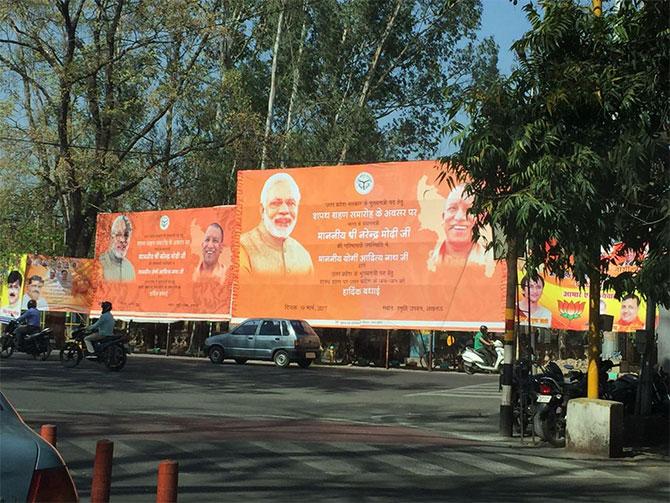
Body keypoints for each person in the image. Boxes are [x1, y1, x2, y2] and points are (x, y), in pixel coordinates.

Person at [239, 172, 314, 278]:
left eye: (291, 203)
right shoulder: (243, 248)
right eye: (276, 203)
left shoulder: (303, 257)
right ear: (262, 210)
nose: (284, 210)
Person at [424, 183, 495, 276]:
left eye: (469, 210)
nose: (459, 217)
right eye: (452, 208)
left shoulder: (489, 262)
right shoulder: (429, 261)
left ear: (480, 218)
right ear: (443, 217)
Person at [99, 215, 136, 282]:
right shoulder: (100, 263)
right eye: (118, 234)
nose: (122, 240)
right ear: (112, 237)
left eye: (126, 235)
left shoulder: (130, 268)